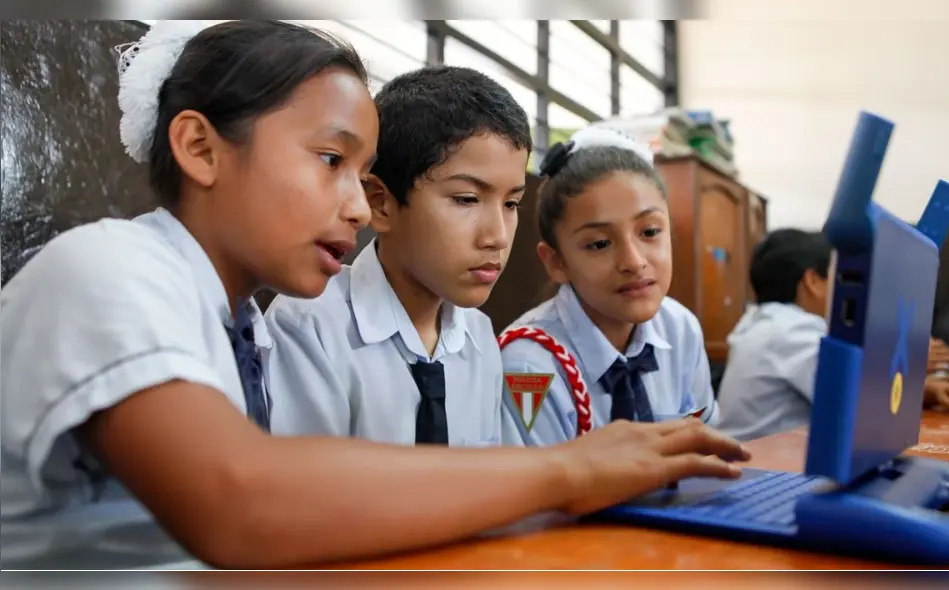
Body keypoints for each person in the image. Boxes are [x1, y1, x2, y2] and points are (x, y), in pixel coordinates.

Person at [0, 20, 751, 570]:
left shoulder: (238, 331)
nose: (358, 209)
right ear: (200, 148)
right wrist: (573, 467)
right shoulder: (105, 270)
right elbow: (240, 504)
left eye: (359, 176)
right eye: (330, 160)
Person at [264, 65, 527, 447]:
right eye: (466, 199)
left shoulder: (480, 336)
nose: (498, 237)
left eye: (512, 203)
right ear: (381, 204)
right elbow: (310, 495)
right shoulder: (311, 325)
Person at [498, 127, 721, 447]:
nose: (633, 261)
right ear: (556, 262)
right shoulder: (529, 367)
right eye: (600, 243)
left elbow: (707, 447)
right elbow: (532, 490)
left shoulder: (680, 329)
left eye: (650, 232)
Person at [717, 229, 949, 442]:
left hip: (765, 463)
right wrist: (904, 356)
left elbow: (857, 387)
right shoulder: (790, 331)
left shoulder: (766, 322)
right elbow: (863, 399)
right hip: (762, 476)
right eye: (839, 277)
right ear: (813, 281)